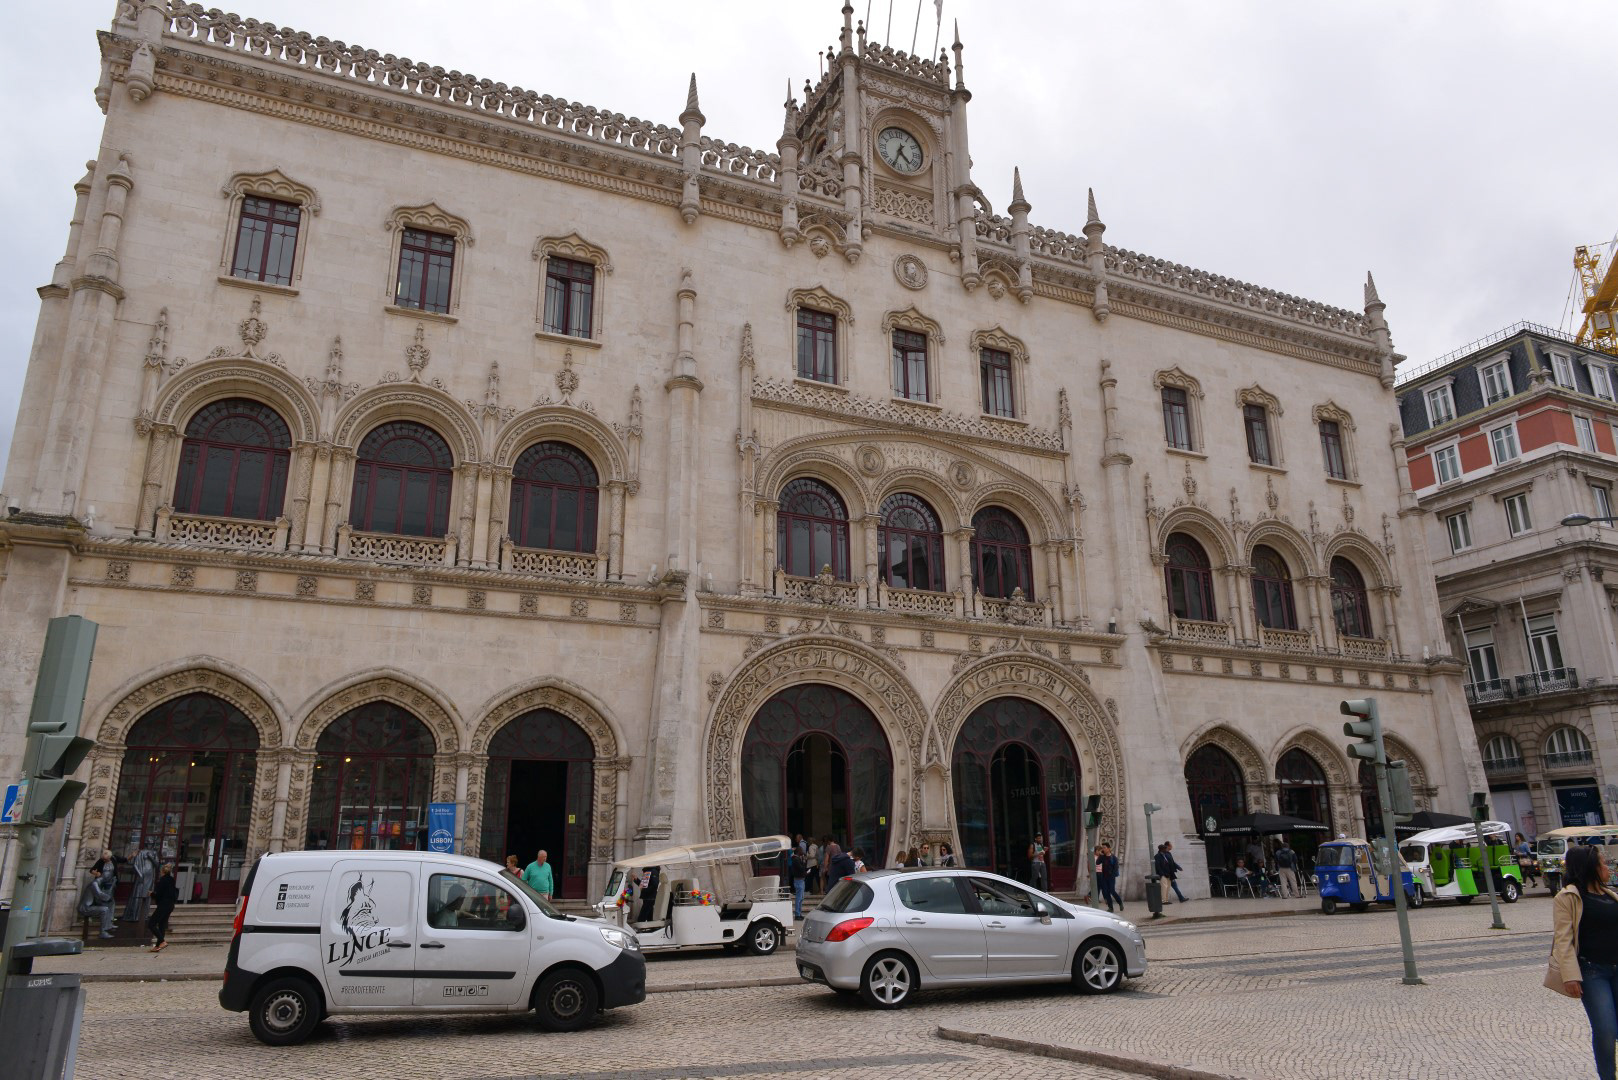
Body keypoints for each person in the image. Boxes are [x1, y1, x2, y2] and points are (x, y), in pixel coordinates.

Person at [1552, 845, 1618, 1080]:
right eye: (1603, 863)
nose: (1607, 867)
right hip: (1592, 972)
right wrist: (1570, 976)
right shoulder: (1568, 897)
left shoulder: (1611, 895)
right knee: (1606, 1029)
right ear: (1591, 867)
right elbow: (1563, 939)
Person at [148, 862, 178, 952]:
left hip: (163, 905)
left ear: (162, 872)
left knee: (151, 924)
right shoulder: (172, 880)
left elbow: (158, 895)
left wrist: (151, 894)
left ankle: (162, 941)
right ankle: (158, 946)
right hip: (170, 905)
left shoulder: (162, 881)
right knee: (162, 925)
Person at [84, 865, 117, 939]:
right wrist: (109, 894)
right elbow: (101, 895)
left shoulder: (99, 884)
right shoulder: (95, 884)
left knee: (111, 903)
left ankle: (109, 924)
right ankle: (103, 932)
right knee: (105, 910)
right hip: (86, 907)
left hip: (92, 905)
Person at [1096, 843, 1122, 912]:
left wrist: (1112, 875)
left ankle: (1120, 902)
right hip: (1104, 877)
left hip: (1111, 878)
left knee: (1112, 891)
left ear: (1109, 848)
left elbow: (1116, 868)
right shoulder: (1102, 857)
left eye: (1104, 847)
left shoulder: (1114, 858)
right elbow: (1097, 863)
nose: (1103, 849)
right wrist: (1100, 856)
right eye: (1102, 848)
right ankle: (1111, 908)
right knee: (1106, 892)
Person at [788, 843, 807, 920]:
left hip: (801, 880)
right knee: (799, 898)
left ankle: (799, 913)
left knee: (801, 898)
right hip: (798, 880)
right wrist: (804, 861)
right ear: (798, 851)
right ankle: (797, 914)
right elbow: (801, 868)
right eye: (801, 850)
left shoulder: (797, 858)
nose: (803, 851)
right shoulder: (796, 859)